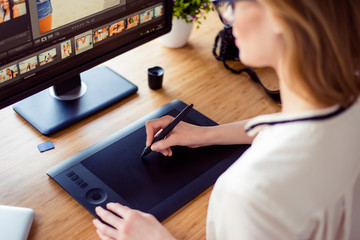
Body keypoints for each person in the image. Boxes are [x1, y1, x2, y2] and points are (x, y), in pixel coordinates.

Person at [93, 0, 360, 239]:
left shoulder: (249, 195)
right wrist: (208, 134)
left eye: (230, 2)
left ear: (279, 14)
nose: (228, 19)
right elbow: (300, 127)